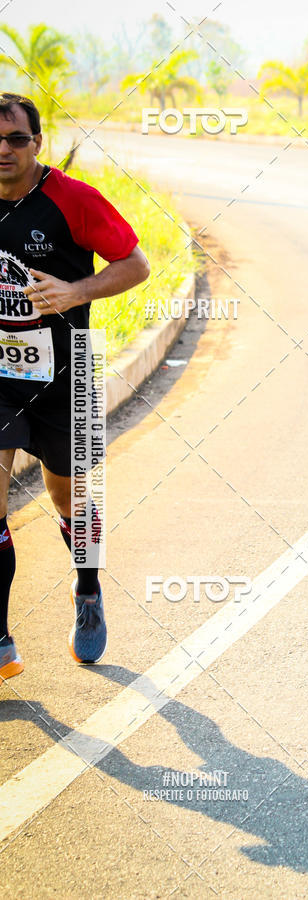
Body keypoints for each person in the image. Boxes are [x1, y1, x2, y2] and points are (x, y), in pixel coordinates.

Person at [0, 92, 150, 679]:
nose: (4, 151)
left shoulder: (72, 200)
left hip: (68, 372)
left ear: (38, 143)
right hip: (0, 375)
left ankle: (87, 586)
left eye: (16, 138)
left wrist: (75, 292)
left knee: (72, 501)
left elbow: (136, 265)